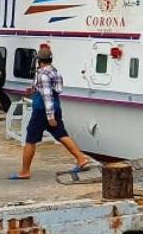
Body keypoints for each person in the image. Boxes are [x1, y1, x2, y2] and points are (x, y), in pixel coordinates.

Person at [11, 45, 93, 180]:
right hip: (56, 106)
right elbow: (56, 89)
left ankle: (24, 171)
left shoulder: (42, 74)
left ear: (39, 60)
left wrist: (50, 116)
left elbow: (47, 95)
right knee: (61, 134)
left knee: (30, 139)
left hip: (42, 110)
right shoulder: (55, 71)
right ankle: (81, 159)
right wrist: (33, 91)